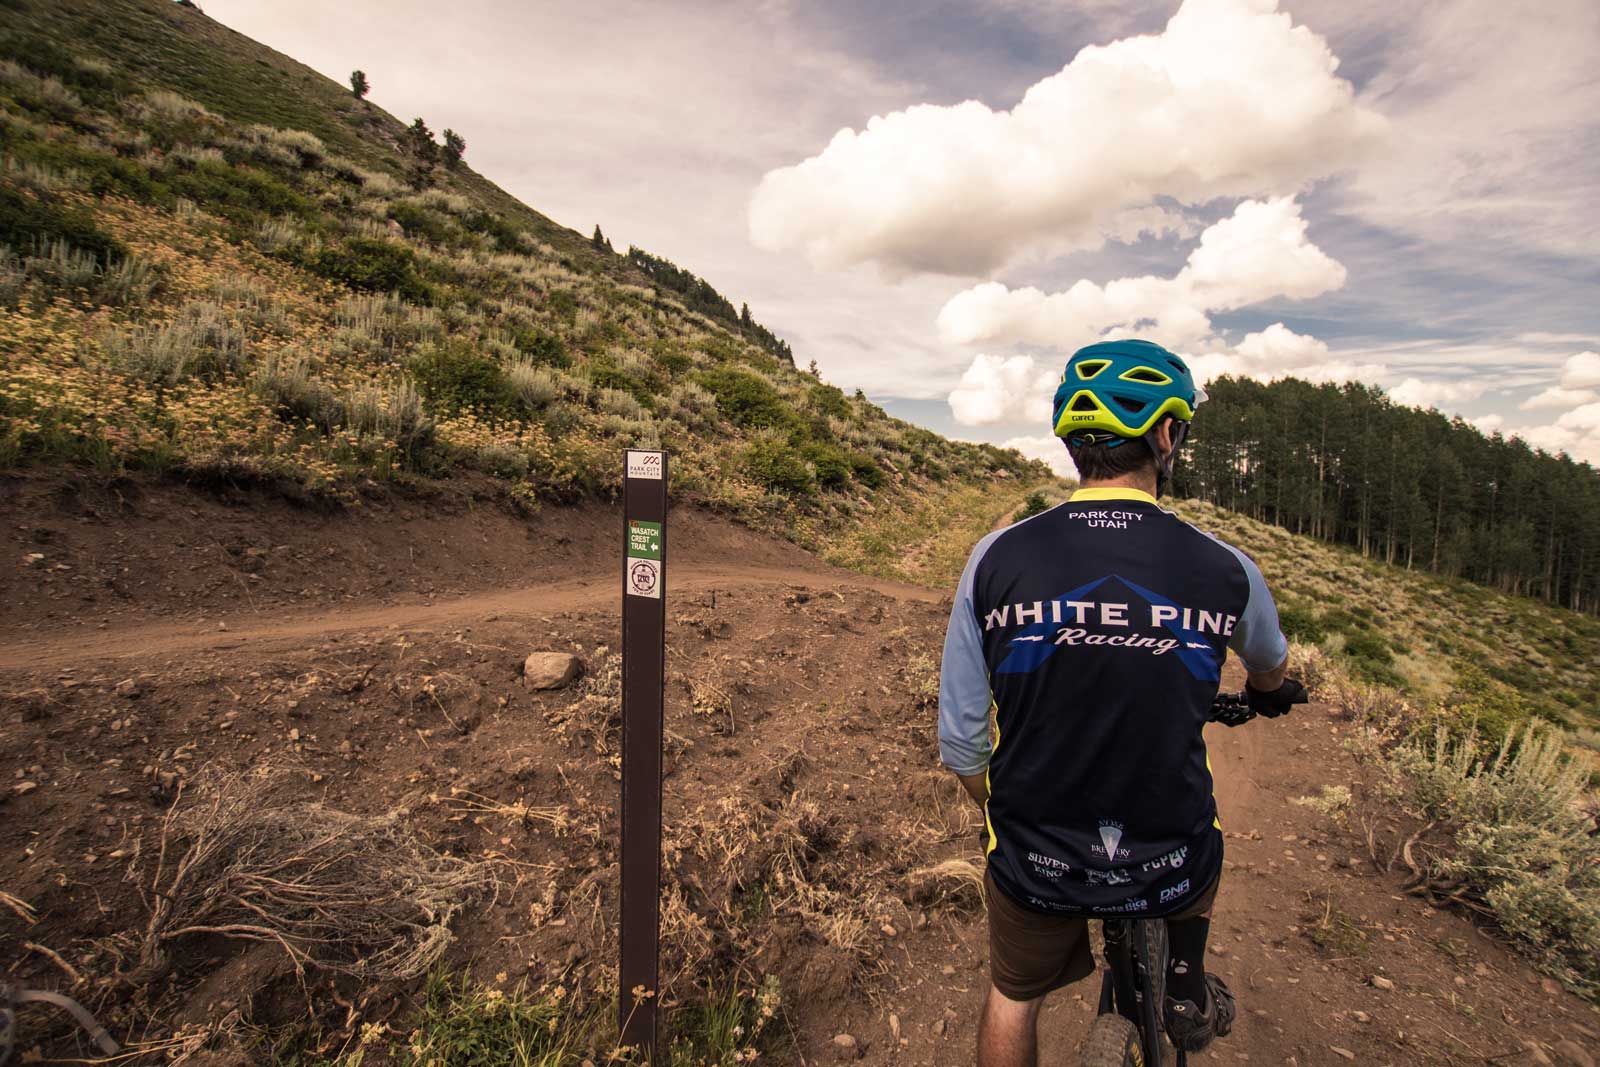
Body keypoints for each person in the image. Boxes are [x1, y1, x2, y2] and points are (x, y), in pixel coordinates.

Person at [937, 339, 1307, 1067]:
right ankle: (1184, 977)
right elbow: (1269, 664)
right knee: (1202, 834)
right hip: (1165, 848)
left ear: (1074, 443)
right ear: (1166, 435)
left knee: (1013, 993)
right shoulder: (1225, 566)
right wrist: (1270, 694)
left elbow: (961, 744)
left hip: (1035, 848)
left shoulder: (995, 558)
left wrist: (1001, 809)